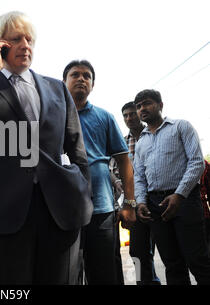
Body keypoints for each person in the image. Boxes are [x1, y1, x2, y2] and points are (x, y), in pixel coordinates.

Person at [0, 11, 92, 284]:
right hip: (3, 214)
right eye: (16, 39)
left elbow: (77, 149)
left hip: (59, 211)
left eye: (30, 39)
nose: (26, 45)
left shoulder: (57, 88)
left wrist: (82, 191)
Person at [63, 59, 136, 284]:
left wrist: (129, 204)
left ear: (92, 85)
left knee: (106, 275)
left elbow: (124, 161)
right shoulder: (54, 117)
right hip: (63, 213)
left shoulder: (104, 117)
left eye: (87, 76)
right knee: (68, 275)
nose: (81, 79)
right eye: (75, 74)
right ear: (64, 82)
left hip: (102, 211)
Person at [134, 89, 210, 285]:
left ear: (160, 105)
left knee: (198, 259)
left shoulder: (180, 127)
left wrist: (179, 195)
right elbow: (140, 177)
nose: (142, 108)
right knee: (172, 263)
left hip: (184, 201)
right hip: (155, 205)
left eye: (147, 103)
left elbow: (196, 163)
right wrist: (141, 202)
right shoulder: (141, 142)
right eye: (139, 106)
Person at [120, 101, 160, 285]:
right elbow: (114, 170)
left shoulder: (154, 134)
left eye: (132, 114)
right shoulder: (121, 141)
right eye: (125, 115)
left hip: (158, 198)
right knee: (137, 251)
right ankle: (145, 282)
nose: (129, 118)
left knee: (169, 250)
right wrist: (121, 184)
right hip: (134, 203)